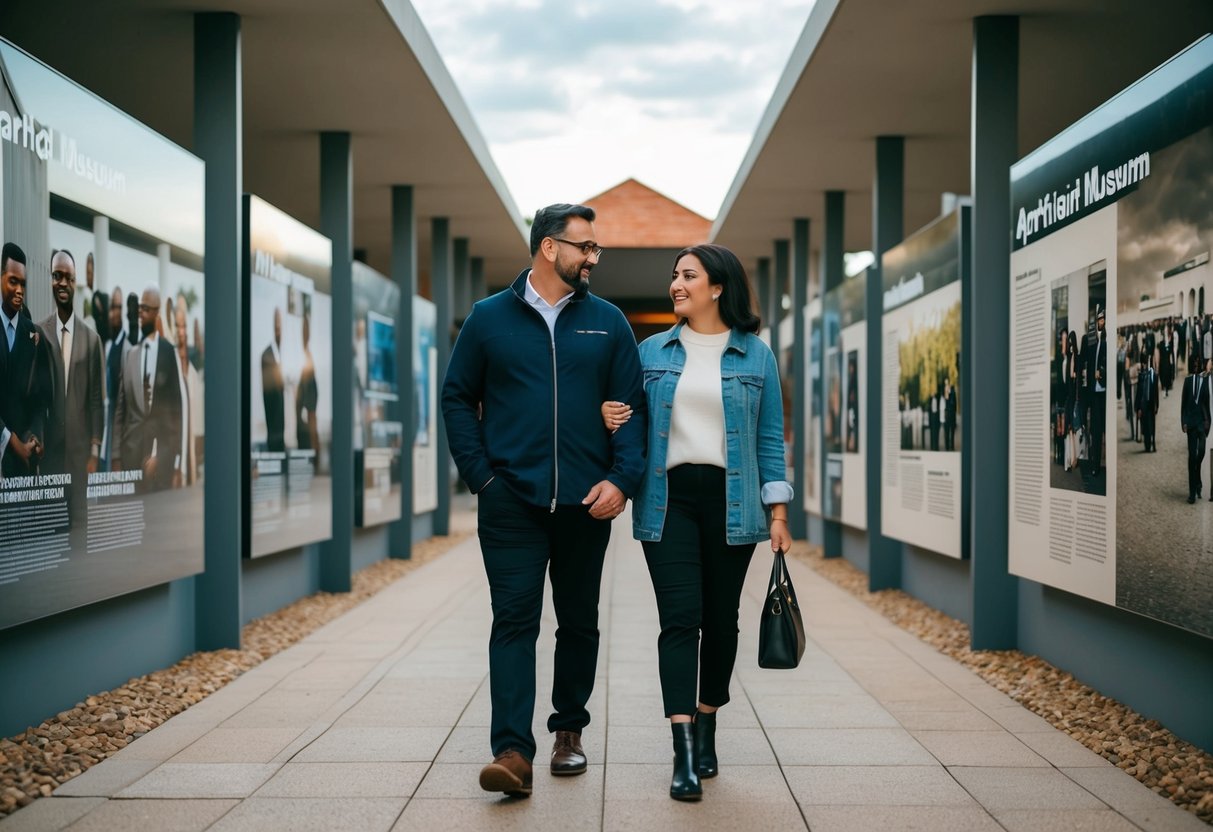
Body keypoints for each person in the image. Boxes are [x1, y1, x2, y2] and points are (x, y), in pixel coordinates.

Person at [441, 203, 646, 798]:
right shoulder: (488, 319)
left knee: (578, 622)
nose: (593, 257)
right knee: (514, 622)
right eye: (585, 246)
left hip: (587, 503)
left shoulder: (608, 322)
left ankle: (568, 732)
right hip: (510, 503)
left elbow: (632, 406)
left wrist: (621, 479)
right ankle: (512, 751)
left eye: (595, 247)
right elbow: (457, 398)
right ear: (549, 247)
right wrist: (482, 479)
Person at [602, 244, 792, 802]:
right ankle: (683, 751)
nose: (676, 284)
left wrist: (779, 512)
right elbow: (630, 422)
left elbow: (769, 439)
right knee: (680, 620)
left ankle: (708, 722)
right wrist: (608, 415)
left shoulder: (756, 355)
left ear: (717, 287)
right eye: (674, 275)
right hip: (669, 501)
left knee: (721, 621)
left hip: (735, 501)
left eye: (688, 275)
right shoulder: (651, 351)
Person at [37, 249, 104, 514]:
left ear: (76, 282)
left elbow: (97, 400)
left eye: (68, 277)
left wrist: (95, 451)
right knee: (51, 527)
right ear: (51, 280)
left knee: (79, 528)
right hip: (49, 457)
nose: (62, 282)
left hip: (80, 458)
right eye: (57, 276)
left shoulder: (92, 340)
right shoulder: (39, 334)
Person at [113, 284, 182, 491]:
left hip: (160, 464)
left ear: (156, 312)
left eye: (145, 308)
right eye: (139, 308)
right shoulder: (131, 355)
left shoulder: (168, 352)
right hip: (131, 458)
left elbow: (176, 412)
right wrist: (116, 456)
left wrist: (162, 457)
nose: (140, 313)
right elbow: (120, 410)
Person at [0, 243, 50, 478]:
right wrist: (12, 442)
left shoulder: (33, 335)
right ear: (1, 278)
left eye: (23, 284)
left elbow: (39, 401)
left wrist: (34, 438)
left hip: (23, 469)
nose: (20, 290)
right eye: (13, 281)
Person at [1180, 352, 1210, 503]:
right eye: (1194, 362)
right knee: (1192, 457)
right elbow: (1183, 405)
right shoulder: (1187, 381)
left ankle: (1197, 473)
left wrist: (1208, 423)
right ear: (1192, 364)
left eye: (1198, 362)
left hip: (1201, 425)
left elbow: (1206, 404)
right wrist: (1183, 422)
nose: (1197, 364)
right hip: (1191, 425)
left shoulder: (1205, 382)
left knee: (1201, 452)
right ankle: (1192, 493)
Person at [261, 308, 286, 452]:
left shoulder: (281, 356)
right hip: (274, 435)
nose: (278, 330)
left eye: (280, 326)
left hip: (280, 436)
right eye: (276, 327)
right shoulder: (267, 356)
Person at [1087, 306, 1107, 477]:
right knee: (1096, 430)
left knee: (1106, 430)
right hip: (1094, 393)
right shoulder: (1092, 341)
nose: (1102, 322)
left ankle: (1106, 464)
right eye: (1100, 319)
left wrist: (1103, 372)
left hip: (1105, 393)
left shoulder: (1108, 339)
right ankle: (1095, 465)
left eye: (1103, 319)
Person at [1137, 353, 1159, 453]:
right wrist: (1138, 407)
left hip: (1151, 404)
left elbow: (1156, 393)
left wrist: (1157, 405)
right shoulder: (1141, 376)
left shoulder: (1155, 376)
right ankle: (1147, 444)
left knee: (1152, 425)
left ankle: (1153, 442)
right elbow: (1139, 393)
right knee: (1146, 424)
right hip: (1144, 404)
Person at [944, 377, 957, 451]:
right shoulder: (944, 392)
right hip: (946, 415)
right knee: (947, 431)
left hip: (951, 415)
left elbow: (954, 405)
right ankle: (947, 447)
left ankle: (952, 446)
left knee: (952, 432)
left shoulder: (952, 392)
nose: (946, 386)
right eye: (945, 384)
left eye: (947, 384)